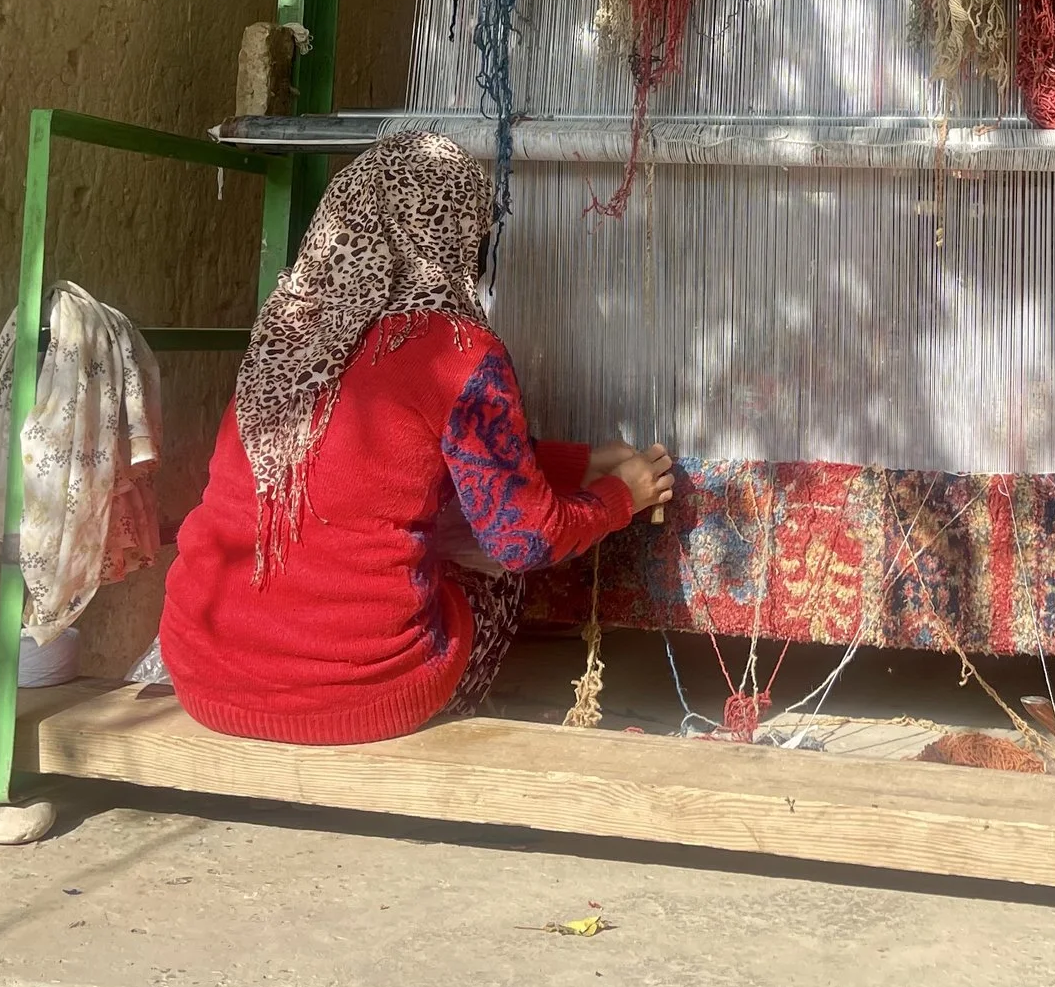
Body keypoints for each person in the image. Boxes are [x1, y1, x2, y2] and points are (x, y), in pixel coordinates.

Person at [159, 133, 672, 744]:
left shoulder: (290, 333)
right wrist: (622, 496)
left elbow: (385, 457)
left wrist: (578, 463)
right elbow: (523, 539)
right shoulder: (458, 351)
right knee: (490, 569)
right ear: (460, 235)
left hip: (201, 672)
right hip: (360, 696)